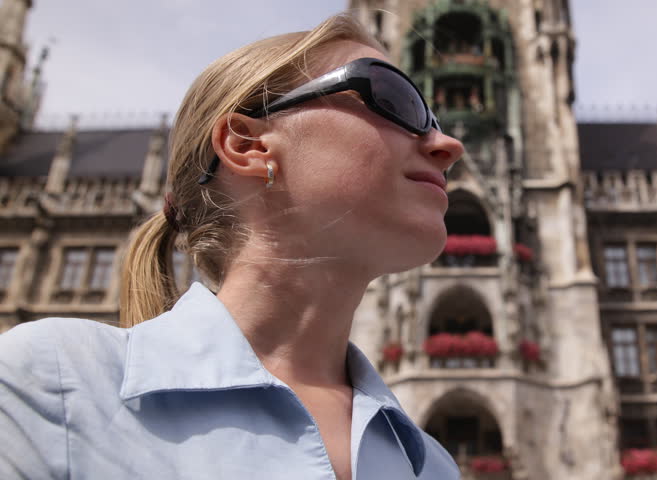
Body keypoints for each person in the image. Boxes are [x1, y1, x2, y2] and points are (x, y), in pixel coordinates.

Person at [0, 12, 464, 480]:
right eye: (394, 99)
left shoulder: (433, 466)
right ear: (248, 145)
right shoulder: (51, 386)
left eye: (432, 119)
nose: (448, 144)